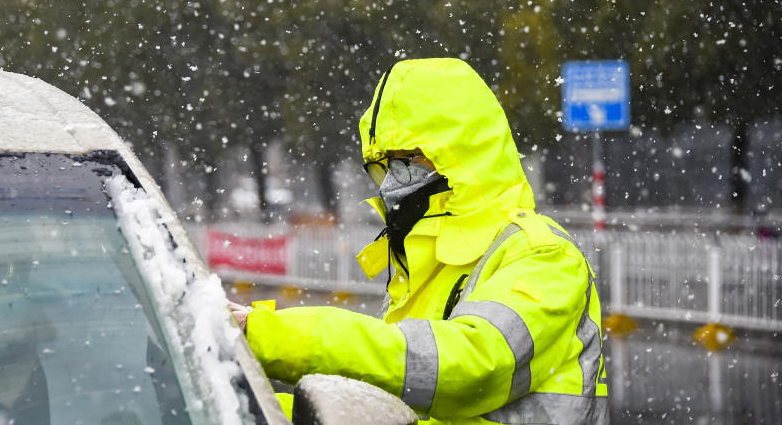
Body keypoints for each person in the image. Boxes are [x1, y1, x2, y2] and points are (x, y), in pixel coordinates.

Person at [230, 58, 608, 424]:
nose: (394, 181)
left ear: (462, 156)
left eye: (409, 159)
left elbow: (469, 368)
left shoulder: (541, 254)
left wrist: (273, 336)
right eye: (385, 164)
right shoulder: (427, 264)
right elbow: (387, 400)